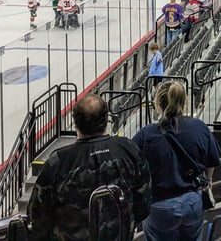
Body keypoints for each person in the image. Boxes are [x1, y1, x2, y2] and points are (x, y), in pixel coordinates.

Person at [28, 93, 151, 241]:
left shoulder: (58, 162)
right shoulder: (128, 149)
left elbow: (37, 218)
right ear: (106, 119)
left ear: (75, 123)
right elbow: (143, 202)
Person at [132, 82, 221, 241]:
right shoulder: (199, 127)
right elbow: (212, 159)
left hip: (160, 205)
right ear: (184, 101)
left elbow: (132, 165)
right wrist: (207, 180)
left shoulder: (146, 134)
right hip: (192, 202)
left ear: (158, 103)